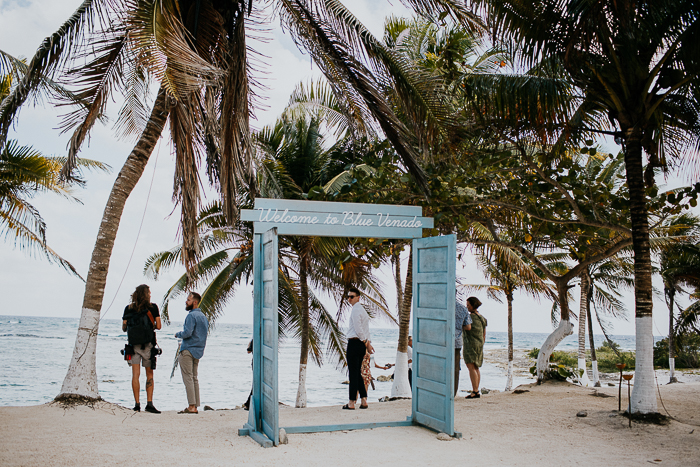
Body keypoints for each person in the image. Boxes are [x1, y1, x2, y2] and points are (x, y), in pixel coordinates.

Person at [122, 284, 162, 413]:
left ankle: (137, 404)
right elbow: (159, 326)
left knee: (135, 375)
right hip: (148, 345)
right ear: (146, 294)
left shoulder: (128, 309)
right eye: (149, 292)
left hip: (133, 346)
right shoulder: (153, 307)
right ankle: (149, 404)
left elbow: (124, 327)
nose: (150, 294)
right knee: (149, 374)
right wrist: (150, 327)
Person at [175, 292, 208, 414]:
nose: (186, 302)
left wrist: (178, 334)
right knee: (194, 378)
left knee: (188, 378)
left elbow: (187, 333)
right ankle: (195, 405)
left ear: (195, 302)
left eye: (188, 300)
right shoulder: (203, 317)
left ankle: (191, 406)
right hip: (198, 351)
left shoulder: (191, 316)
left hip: (188, 349)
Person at [343, 287, 374, 410]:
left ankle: (351, 402)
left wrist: (366, 342)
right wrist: (368, 343)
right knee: (357, 373)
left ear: (358, 297)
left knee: (353, 373)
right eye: (348, 297)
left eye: (351, 296)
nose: (349, 299)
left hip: (355, 343)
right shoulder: (362, 310)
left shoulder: (356, 310)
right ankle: (364, 400)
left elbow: (358, 329)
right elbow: (366, 330)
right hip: (361, 345)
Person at [463, 296, 487, 399]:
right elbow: (484, 333)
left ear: (473, 305)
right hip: (479, 344)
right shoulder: (482, 318)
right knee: (476, 367)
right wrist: (482, 343)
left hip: (470, 344)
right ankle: (476, 390)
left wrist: (459, 326)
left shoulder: (470, 317)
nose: (467, 307)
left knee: (471, 367)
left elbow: (468, 328)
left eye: (468, 305)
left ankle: (475, 391)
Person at [455, 294, 473, 396]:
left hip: (440, 342)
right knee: (455, 369)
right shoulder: (463, 308)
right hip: (456, 342)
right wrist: (458, 327)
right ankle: (452, 392)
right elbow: (468, 327)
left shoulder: (439, 306)